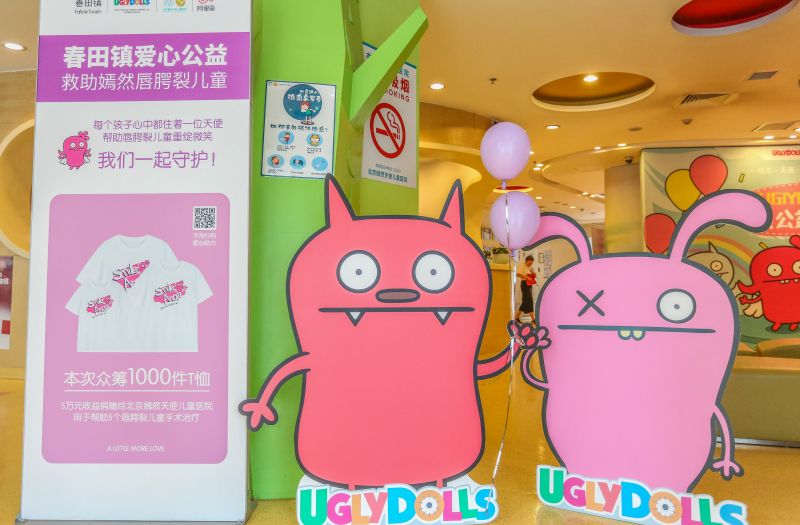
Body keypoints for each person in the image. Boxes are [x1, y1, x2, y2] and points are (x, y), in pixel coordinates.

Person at [516, 255, 537, 322]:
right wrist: (526, 277)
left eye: (531, 263)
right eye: (529, 263)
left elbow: (532, 275)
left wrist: (534, 275)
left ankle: (517, 317)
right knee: (528, 300)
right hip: (524, 284)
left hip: (529, 284)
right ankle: (533, 319)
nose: (530, 264)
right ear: (526, 261)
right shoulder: (522, 265)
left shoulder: (530, 267)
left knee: (527, 301)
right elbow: (518, 274)